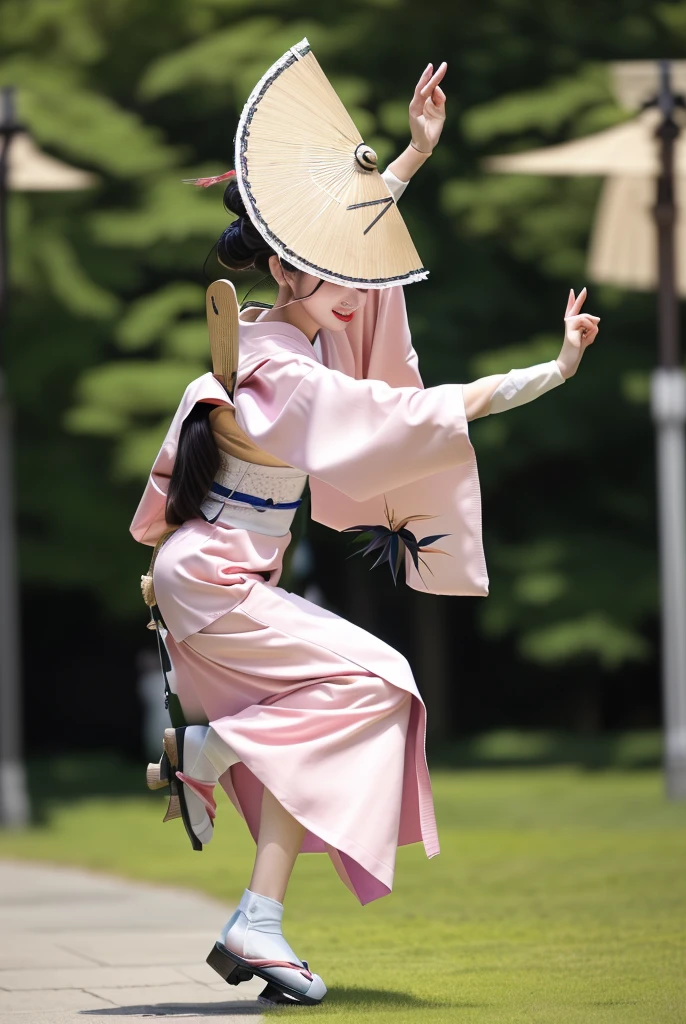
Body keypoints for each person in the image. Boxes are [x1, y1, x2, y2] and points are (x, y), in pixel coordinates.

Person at [131, 47, 599, 1007]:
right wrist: (549, 373)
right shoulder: (292, 376)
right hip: (215, 580)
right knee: (383, 683)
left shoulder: (284, 335)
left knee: (329, 729)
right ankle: (212, 754)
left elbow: (347, 248)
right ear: (288, 271)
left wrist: (414, 157)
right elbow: (417, 414)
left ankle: (259, 918)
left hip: (211, 579)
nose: (360, 287)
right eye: (333, 273)